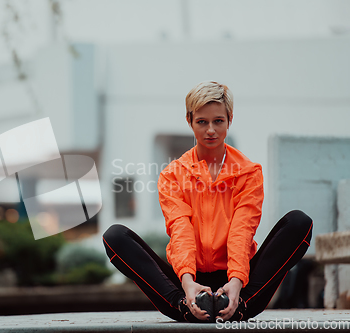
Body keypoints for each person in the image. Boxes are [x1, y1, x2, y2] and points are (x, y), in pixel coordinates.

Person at [102, 81, 313, 323]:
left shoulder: (248, 173)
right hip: (185, 283)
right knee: (115, 236)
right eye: (202, 122)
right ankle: (185, 305)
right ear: (189, 121)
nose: (210, 130)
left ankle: (238, 305)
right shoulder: (173, 175)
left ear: (229, 119)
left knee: (299, 222)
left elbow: (242, 230)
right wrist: (188, 283)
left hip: (240, 285)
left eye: (218, 121)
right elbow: (180, 230)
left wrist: (235, 282)